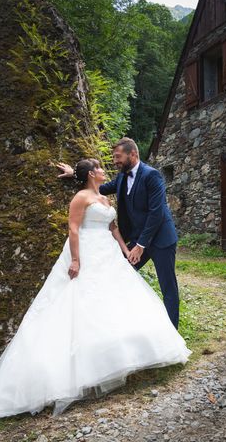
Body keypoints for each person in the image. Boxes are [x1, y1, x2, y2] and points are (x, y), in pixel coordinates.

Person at [0, 159, 190, 421]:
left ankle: (123, 355)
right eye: (98, 167)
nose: (104, 168)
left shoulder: (103, 197)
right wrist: (75, 259)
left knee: (116, 301)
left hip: (107, 253)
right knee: (81, 303)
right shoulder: (81, 197)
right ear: (92, 174)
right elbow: (73, 228)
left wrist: (125, 249)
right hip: (86, 252)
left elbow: (113, 227)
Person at [56, 138, 180, 328]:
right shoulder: (122, 177)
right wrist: (76, 174)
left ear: (133, 154)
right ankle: (118, 326)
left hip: (161, 240)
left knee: (168, 287)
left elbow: (157, 213)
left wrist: (140, 246)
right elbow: (97, 189)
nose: (114, 161)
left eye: (118, 157)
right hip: (138, 240)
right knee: (119, 274)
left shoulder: (152, 175)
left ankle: (172, 332)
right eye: (114, 157)